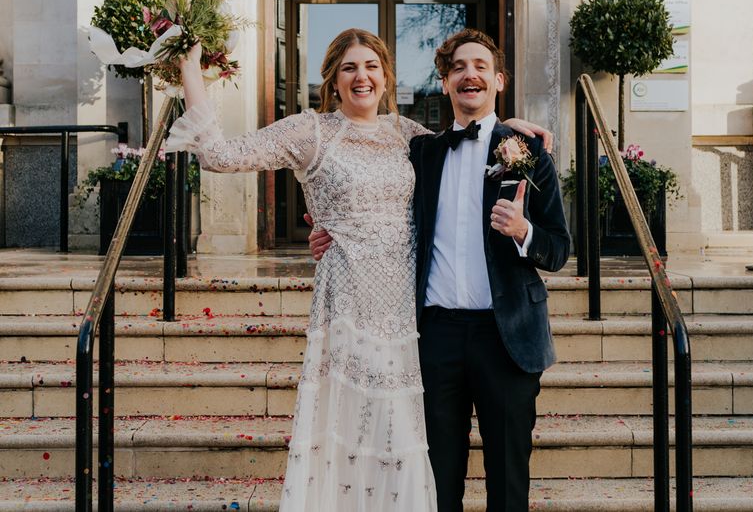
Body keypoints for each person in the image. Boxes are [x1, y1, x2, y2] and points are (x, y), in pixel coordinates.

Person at [165, 28, 550, 512]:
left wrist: (511, 129)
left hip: (410, 317)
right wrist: (189, 68)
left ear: (386, 79)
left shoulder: (409, 135)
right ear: (332, 80)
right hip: (350, 304)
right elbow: (219, 156)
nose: (361, 77)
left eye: (371, 67)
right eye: (349, 68)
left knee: (408, 448)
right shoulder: (310, 131)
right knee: (356, 435)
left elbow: (471, 142)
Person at [311, 28, 570, 511]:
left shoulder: (528, 151)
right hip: (434, 339)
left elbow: (558, 248)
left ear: (497, 80)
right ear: (446, 83)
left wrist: (523, 232)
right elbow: (375, 203)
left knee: (509, 482)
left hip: (507, 338)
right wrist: (331, 229)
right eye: (457, 69)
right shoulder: (422, 153)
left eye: (479, 67)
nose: (468, 74)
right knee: (435, 484)